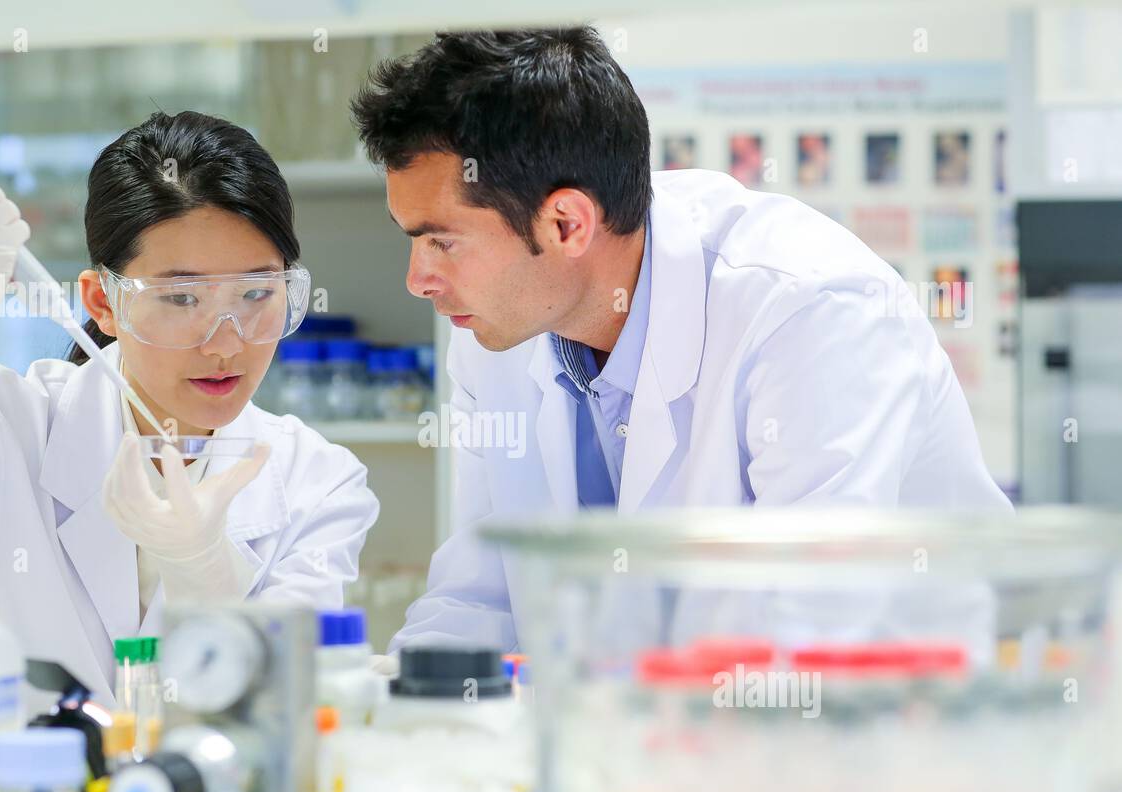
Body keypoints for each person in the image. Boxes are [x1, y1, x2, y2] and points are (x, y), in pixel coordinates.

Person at [350, 28, 1011, 653]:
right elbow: (480, 598)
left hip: (899, 736)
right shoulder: (499, 330)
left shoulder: (809, 309)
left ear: (566, 224)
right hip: (660, 744)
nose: (418, 281)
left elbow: (809, 626)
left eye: (441, 242)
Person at [0, 111, 380, 702]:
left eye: (255, 294)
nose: (225, 342)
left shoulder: (317, 481)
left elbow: (286, 719)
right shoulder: (1, 425)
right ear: (102, 303)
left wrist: (205, 574)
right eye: (181, 297)